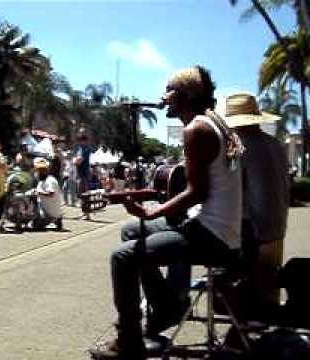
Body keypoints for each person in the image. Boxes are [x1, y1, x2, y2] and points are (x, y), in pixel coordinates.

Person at [90, 66, 244, 360]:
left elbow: (197, 192)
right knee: (131, 232)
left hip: (214, 236)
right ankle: (167, 307)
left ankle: (129, 342)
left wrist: (152, 212)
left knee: (122, 257)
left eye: (169, 92)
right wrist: (148, 207)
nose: (165, 99)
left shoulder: (197, 129)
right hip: (215, 228)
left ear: (184, 96)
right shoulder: (212, 124)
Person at [224, 92, 289, 312]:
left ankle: (242, 329)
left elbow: (230, 190)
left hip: (253, 230)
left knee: (246, 288)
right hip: (277, 224)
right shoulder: (275, 144)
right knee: (269, 283)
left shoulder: (239, 148)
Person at [33, 157, 63, 231]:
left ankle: (48, 219)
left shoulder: (50, 180)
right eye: (39, 170)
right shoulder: (42, 180)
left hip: (49, 212)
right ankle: (55, 219)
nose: (39, 172)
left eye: (42, 170)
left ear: (46, 170)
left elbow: (51, 193)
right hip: (48, 209)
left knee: (36, 224)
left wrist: (39, 193)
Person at [73, 128, 92, 219]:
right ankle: (84, 212)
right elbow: (76, 159)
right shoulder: (79, 148)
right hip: (80, 173)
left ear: (86, 141)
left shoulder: (86, 149)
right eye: (79, 139)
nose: (80, 141)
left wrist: (75, 161)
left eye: (82, 139)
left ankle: (87, 213)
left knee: (85, 194)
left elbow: (79, 161)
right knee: (81, 194)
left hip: (84, 174)